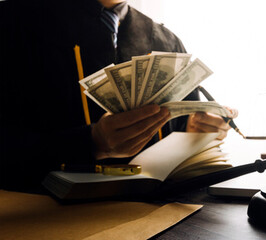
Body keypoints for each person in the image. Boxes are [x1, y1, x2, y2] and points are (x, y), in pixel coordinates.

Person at [0, 0, 236, 191]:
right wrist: (91, 143)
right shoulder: (14, 23)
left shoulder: (167, 40)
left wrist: (193, 133)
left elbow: (181, 126)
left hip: (156, 216)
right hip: (40, 217)